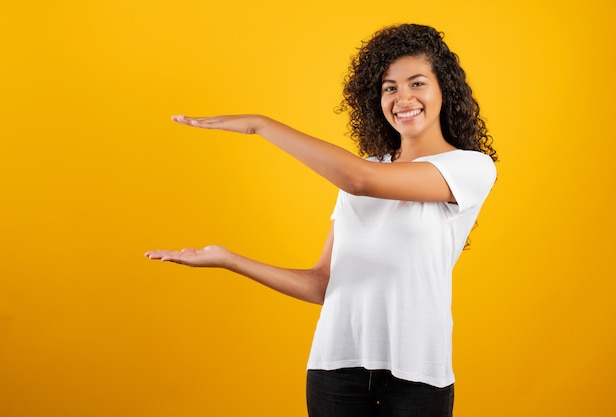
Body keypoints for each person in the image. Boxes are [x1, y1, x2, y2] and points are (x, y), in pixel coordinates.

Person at [145, 23, 498, 417]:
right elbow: (322, 284)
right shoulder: (364, 170)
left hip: (417, 376)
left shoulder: (469, 168)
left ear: (443, 90)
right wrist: (229, 260)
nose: (403, 98)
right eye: (390, 88)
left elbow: (360, 180)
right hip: (335, 371)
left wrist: (261, 125)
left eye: (417, 83)